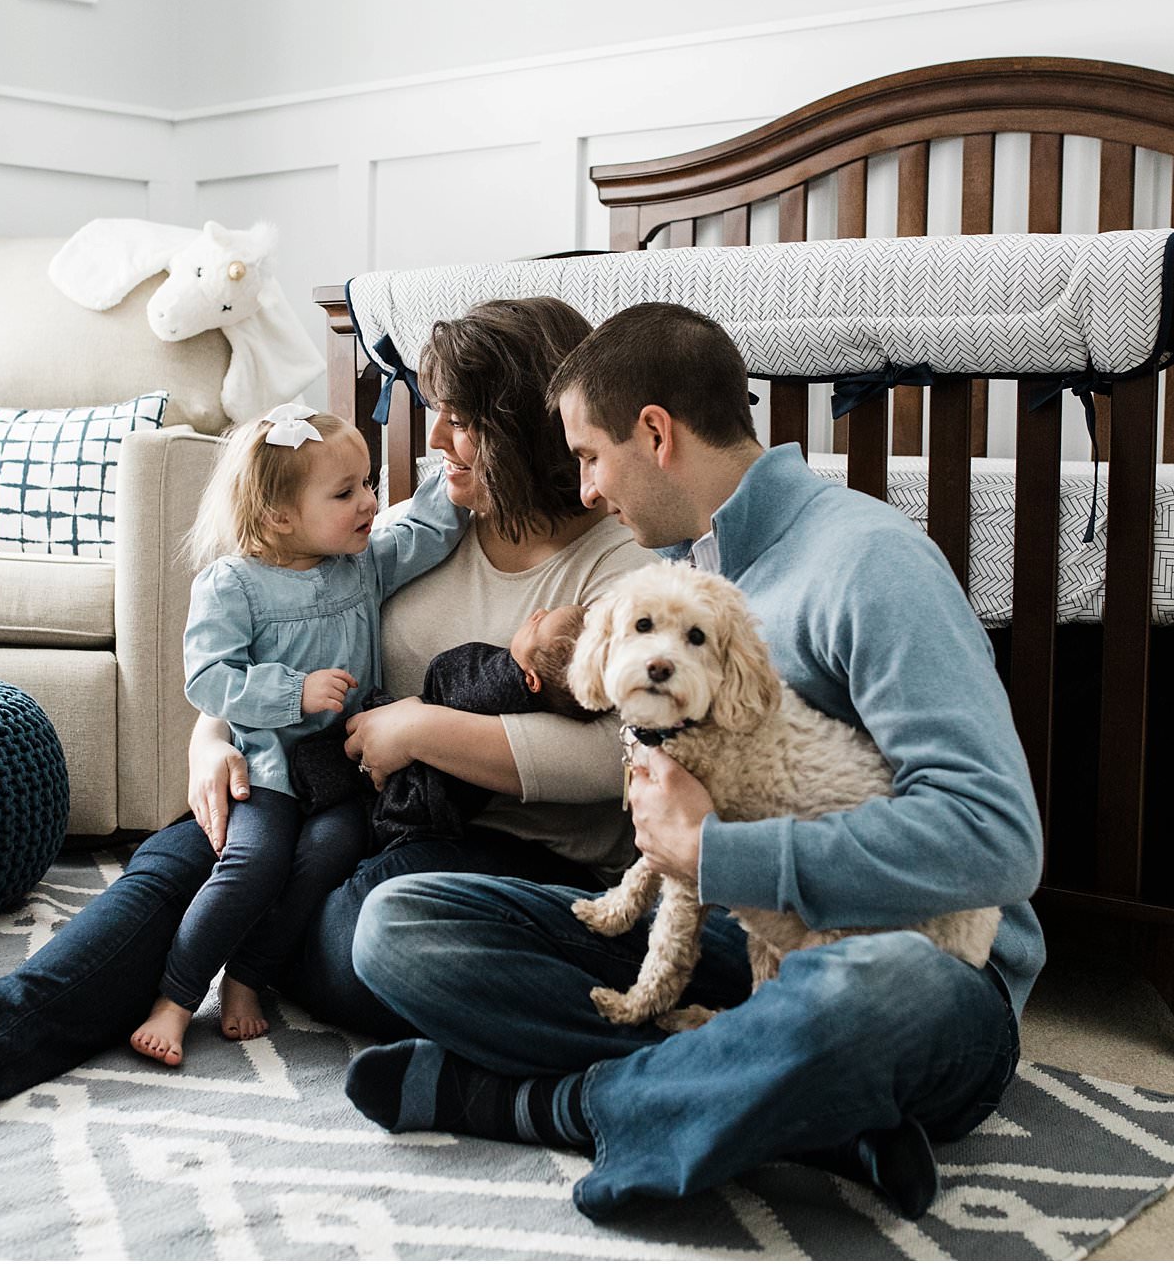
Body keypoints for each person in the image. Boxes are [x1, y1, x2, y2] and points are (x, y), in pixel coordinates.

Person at [0, 296, 650, 1128]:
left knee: (348, 931)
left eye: (465, 417)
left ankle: (248, 956)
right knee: (183, 854)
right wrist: (214, 731)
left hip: (501, 846)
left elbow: (614, 759)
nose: (438, 434)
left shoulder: (617, 562)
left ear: (532, 426)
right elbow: (290, 625)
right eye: (437, 408)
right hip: (353, 789)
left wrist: (416, 728)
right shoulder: (433, 513)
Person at [342, 302, 1046, 1222]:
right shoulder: (667, 577)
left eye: (591, 457)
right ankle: (804, 1109)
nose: (586, 489)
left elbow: (997, 840)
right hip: (724, 943)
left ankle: (543, 1104)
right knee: (398, 926)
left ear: (656, 434)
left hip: (910, 957)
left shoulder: (870, 563)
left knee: (882, 996)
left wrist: (719, 854)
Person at [131, 403, 467, 1063]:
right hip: (270, 769)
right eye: (346, 492)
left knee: (328, 854)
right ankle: (174, 997)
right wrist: (292, 690)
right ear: (279, 515)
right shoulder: (233, 584)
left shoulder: (361, 563)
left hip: (341, 771)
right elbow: (207, 678)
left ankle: (248, 977)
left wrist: (459, 479)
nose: (371, 502)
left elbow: (426, 531)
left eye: (369, 482)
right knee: (253, 864)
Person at [349, 602, 592, 854]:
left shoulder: (496, 685)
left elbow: (448, 672)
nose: (538, 613)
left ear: (531, 680)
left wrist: (411, 724)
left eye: (537, 627)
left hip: (411, 796)